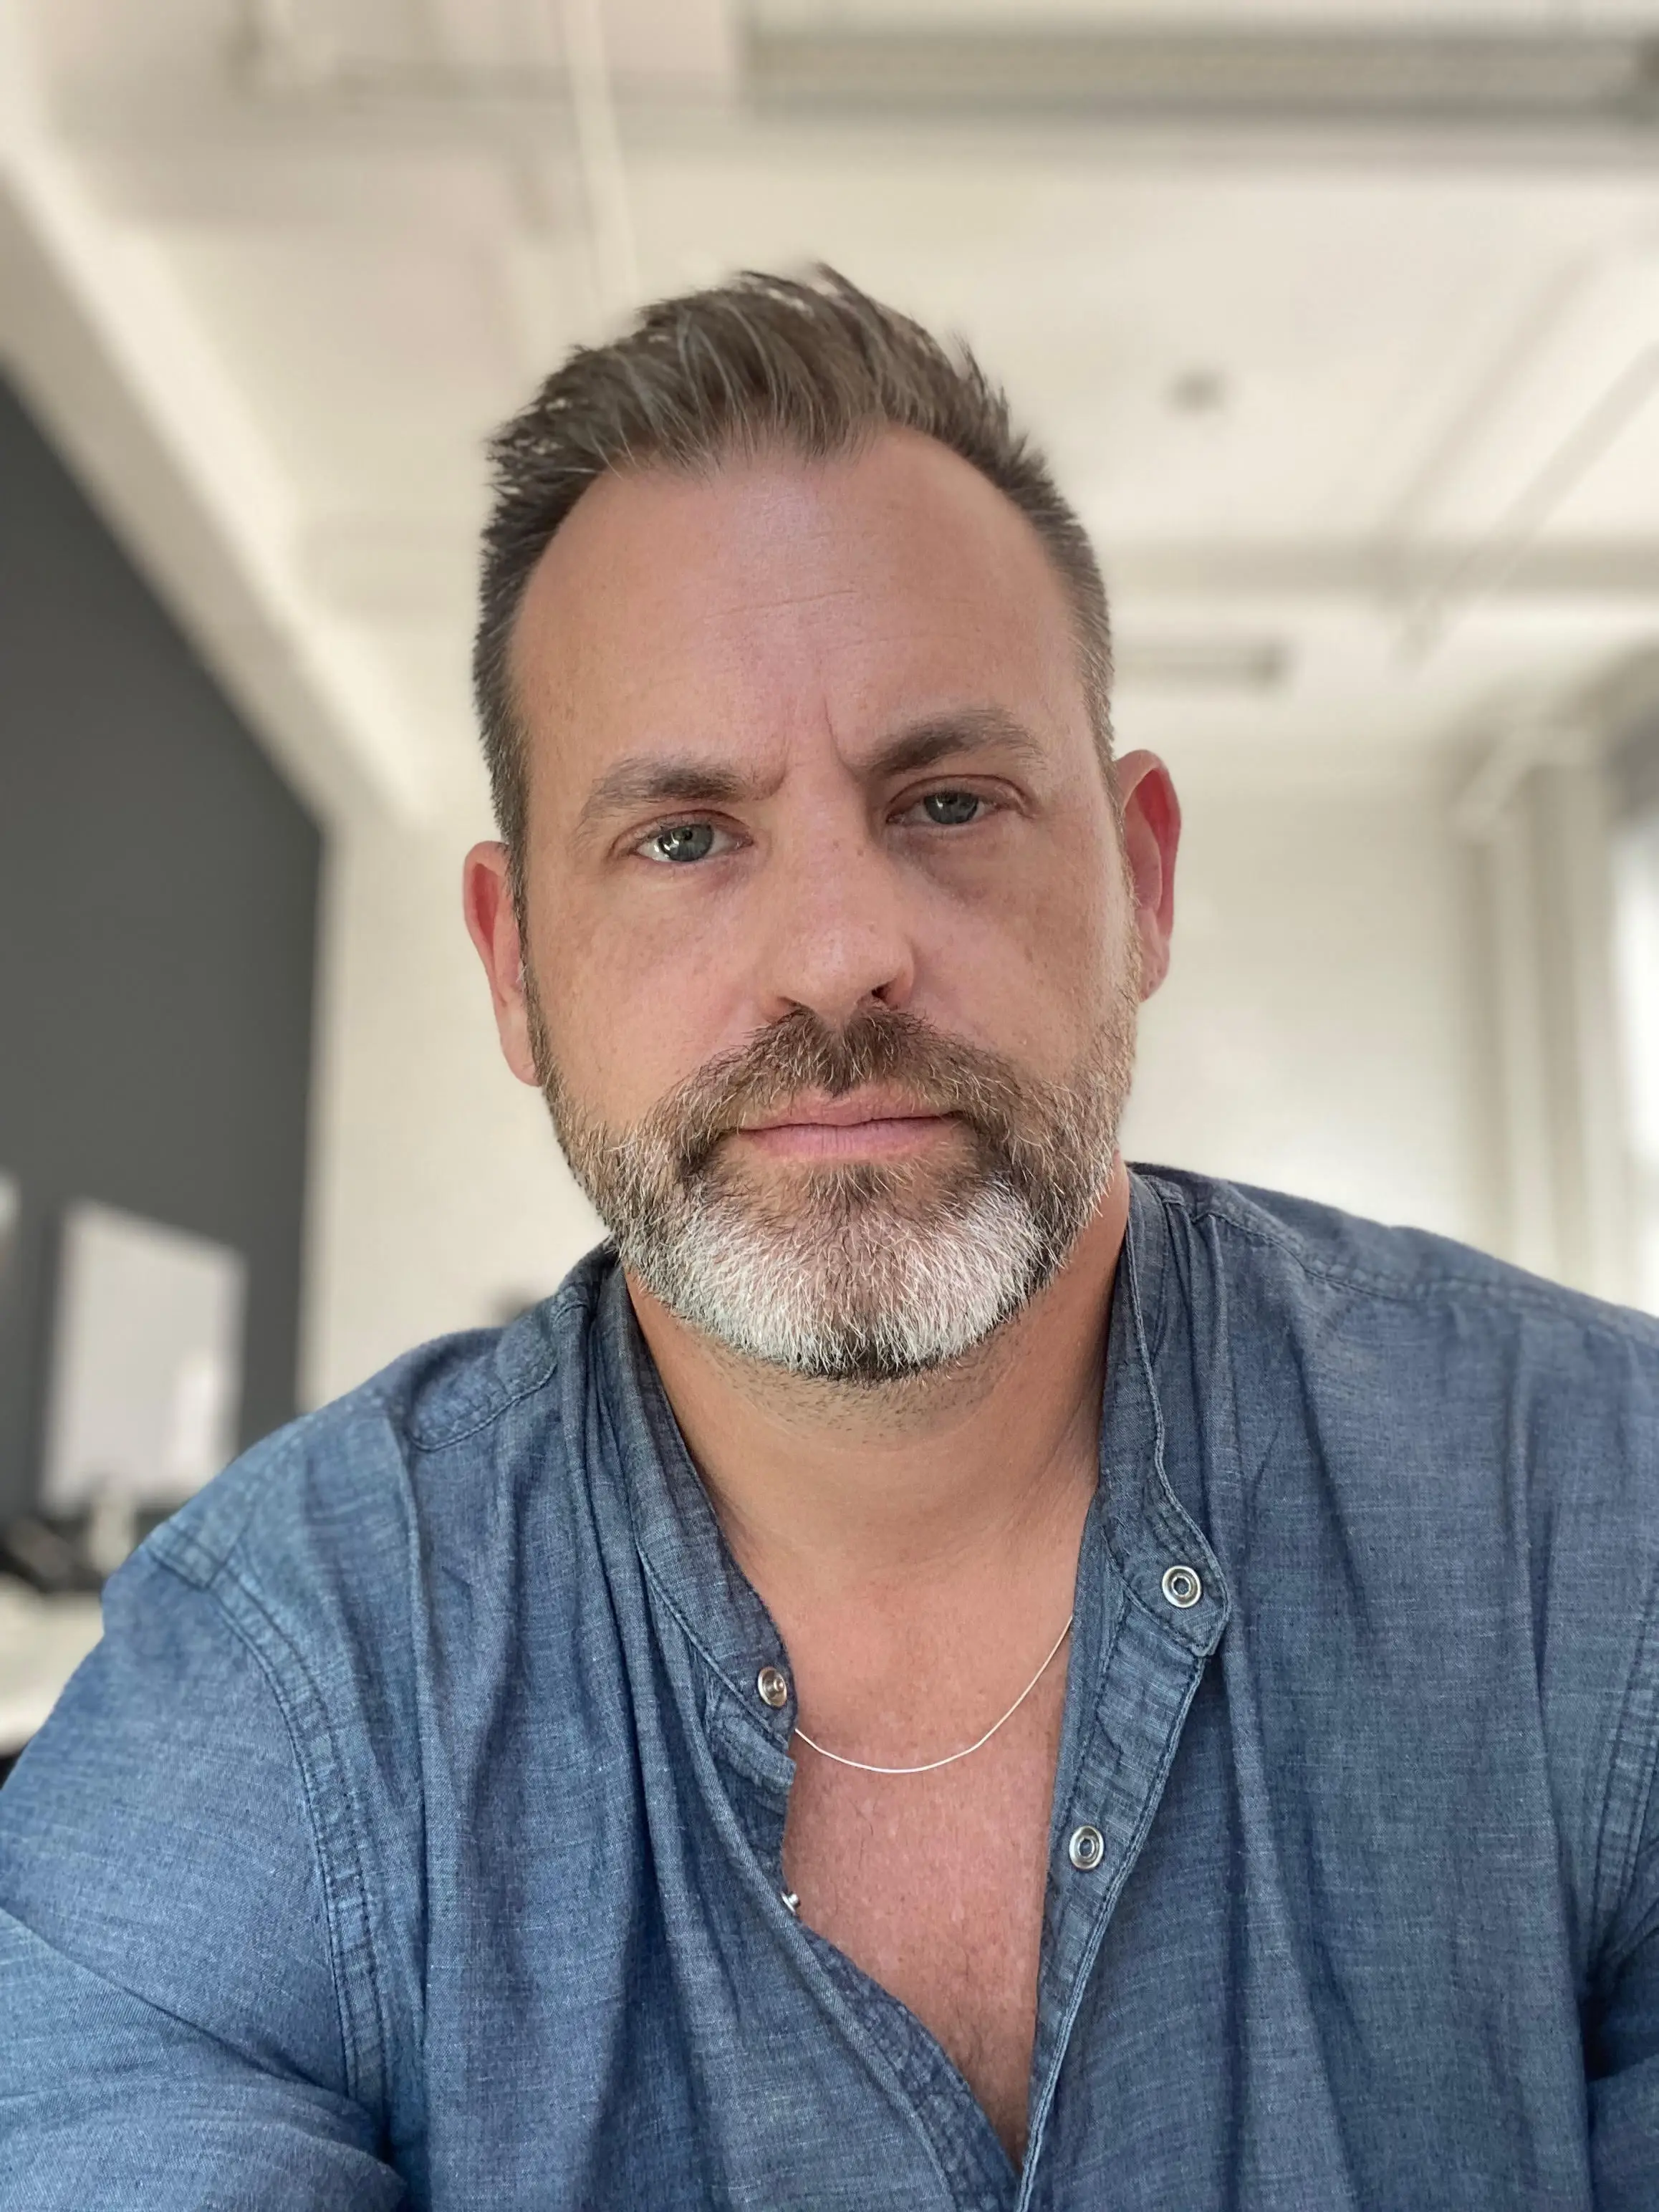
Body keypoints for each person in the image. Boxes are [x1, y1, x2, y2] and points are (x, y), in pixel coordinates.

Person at [2, 267, 1658, 2212]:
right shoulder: (282, 1679)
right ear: (512, 963)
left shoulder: (1592, 1520)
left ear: (1135, 884)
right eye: (684, 838)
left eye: (946, 799)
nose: (834, 955)